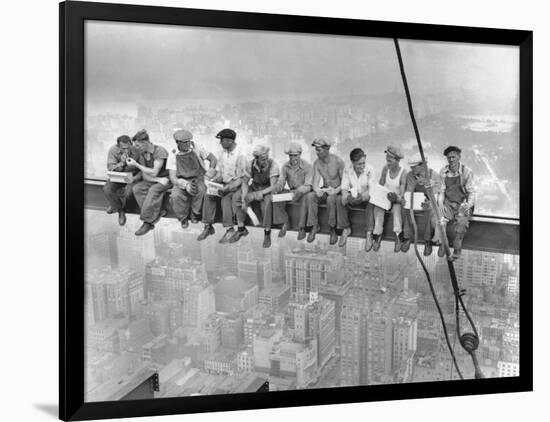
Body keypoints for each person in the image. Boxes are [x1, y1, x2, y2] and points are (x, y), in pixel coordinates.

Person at [199, 128, 248, 243]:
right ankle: (208, 226)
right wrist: (213, 181)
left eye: (222, 141)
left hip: (236, 186)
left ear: (229, 141)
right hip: (224, 184)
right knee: (209, 195)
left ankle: (229, 228)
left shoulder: (241, 155)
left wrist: (229, 187)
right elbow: (220, 172)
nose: (221, 143)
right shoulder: (222, 154)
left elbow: (243, 178)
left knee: (225, 199)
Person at [167, 129, 217, 230]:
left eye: (189, 141)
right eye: (184, 142)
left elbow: (213, 159)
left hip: (199, 177)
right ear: (177, 142)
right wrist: (186, 185)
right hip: (182, 180)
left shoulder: (197, 147)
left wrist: (208, 175)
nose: (188, 144)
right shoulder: (173, 154)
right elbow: (173, 177)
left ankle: (195, 213)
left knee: (202, 190)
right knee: (175, 196)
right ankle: (183, 218)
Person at [234, 144, 280, 247]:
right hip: (255, 186)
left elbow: (273, 186)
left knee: (267, 203)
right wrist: (243, 199)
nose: (266, 161)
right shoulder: (250, 164)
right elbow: (245, 183)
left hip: (267, 190)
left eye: (267, 158)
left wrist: (257, 194)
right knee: (237, 198)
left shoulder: (273, 165)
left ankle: (267, 232)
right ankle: (241, 228)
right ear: (257, 158)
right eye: (263, 159)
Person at [125, 130, 171, 236]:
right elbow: (145, 174)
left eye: (138, 145)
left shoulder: (160, 151)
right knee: (137, 188)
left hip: (166, 179)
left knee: (153, 190)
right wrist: (157, 180)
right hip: (156, 180)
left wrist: (136, 164)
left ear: (145, 142)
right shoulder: (142, 154)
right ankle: (158, 212)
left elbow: (154, 172)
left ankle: (148, 222)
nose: (136, 147)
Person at [305, 138, 347, 245]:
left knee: (330, 199)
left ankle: (332, 229)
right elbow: (315, 182)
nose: (317, 152)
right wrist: (317, 190)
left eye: (319, 150)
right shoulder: (317, 164)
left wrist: (335, 190)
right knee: (311, 196)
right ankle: (314, 226)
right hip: (326, 189)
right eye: (316, 150)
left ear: (327, 149)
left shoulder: (338, 161)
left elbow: (345, 183)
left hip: (337, 191)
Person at [437, 146, 476, 259]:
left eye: (453, 157)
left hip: (462, 203)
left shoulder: (466, 172)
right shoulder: (443, 172)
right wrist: (440, 204)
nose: (451, 160)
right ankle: (443, 243)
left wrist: (468, 205)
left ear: (459, 157)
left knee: (462, 222)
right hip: (449, 203)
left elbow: (471, 192)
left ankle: (457, 245)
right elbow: (442, 191)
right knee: (440, 219)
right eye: (449, 158)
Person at [400, 156, 441, 256]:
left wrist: (429, 186)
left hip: (429, 201)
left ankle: (427, 241)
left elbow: (438, 191)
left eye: (414, 167)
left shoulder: (433, 175)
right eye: (411, 167)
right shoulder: (410, 175)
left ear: (422, 165)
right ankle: (407, 237)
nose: (412, 169)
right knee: (406, 209)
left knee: (430, 211)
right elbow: (409, 191)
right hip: (415, 201)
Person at [273, 142, 313, 241]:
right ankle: (285, 222)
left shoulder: (307, 166)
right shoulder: (285, 166)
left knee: (305, 198)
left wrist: (299, 191)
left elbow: (309, 185)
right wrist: (276, 188)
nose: (293, 158)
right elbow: (281, 181)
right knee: (278, 196)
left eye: (295, 155)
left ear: (300, 154)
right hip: (292, 192)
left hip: (303, 191)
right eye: (290, 156)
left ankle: (302, 228)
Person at [372, 146, 407, 252]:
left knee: (397, 211)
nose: (388, 163)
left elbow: (402, 192)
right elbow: (381, 184)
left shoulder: (403, 172)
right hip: (385, 198)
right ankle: (378, 234)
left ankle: (397, 235)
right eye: (387, 160)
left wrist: (396, 197)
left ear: (397, 160)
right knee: (378, 208)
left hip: (395, 200)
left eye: (390, 161)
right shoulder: (385, 169)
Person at [340, 148, 376, 249]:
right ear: (352, 162)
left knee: (371, 202)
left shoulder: (370, 169)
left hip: (365, 197)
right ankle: (346, 228)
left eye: (363, 163)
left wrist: (363, 197)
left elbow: (372, 190)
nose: (362, 166)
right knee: (340, 200)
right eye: (359, 164)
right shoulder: (347, 169)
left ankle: (369, 233)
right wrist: (346, 197)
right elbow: (344, 187)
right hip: (353, 196)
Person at [102, 134, 140, 226]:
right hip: (118, 175)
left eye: (128, 147)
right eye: (123, 148)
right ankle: (120, 210)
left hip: (132, 175)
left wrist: (135, 178)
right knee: (107, 189)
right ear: (118, 146)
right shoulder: (113, 150)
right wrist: (122, 163)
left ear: (131, 144)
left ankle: (114, 205)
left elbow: (142, 168)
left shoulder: (137, 149)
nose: (126, 150)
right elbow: (110, 168)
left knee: (128, 193)